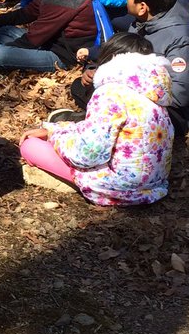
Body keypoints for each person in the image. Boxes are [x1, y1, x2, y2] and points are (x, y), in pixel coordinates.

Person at [20, 33, 173, 206]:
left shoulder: (109, 94)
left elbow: (88, 154)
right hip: (154, 185)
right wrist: (55, 129)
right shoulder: (155, 93)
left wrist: (55, 138)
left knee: (30, 146)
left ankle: (80, 183)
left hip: (120, 189)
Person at [68, 0, 189, 134]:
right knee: (80, 86)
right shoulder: (143, 22)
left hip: (180, 111)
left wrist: (121, 85)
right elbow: (122, 57)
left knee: (116, 104)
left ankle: (92, 124)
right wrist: (98, 71)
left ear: (142, 7)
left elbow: (179, 95)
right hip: (142, 93)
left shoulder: (183, 40)